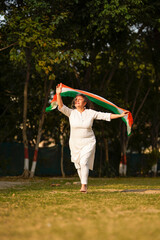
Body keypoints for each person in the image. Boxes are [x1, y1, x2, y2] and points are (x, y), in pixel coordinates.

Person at [56, 83, 129, 193]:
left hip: (88, 142)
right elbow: (61, 107)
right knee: (78, 165)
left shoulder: (90, 113)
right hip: (75, 143)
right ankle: (83, 183)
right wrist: (58, 94)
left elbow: (105, 116)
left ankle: (83, 186)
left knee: (84, 162)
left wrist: (120, 115)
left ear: (85, 103)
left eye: (79, 100)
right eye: (76, 100)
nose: (77, 101)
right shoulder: (71, 113)